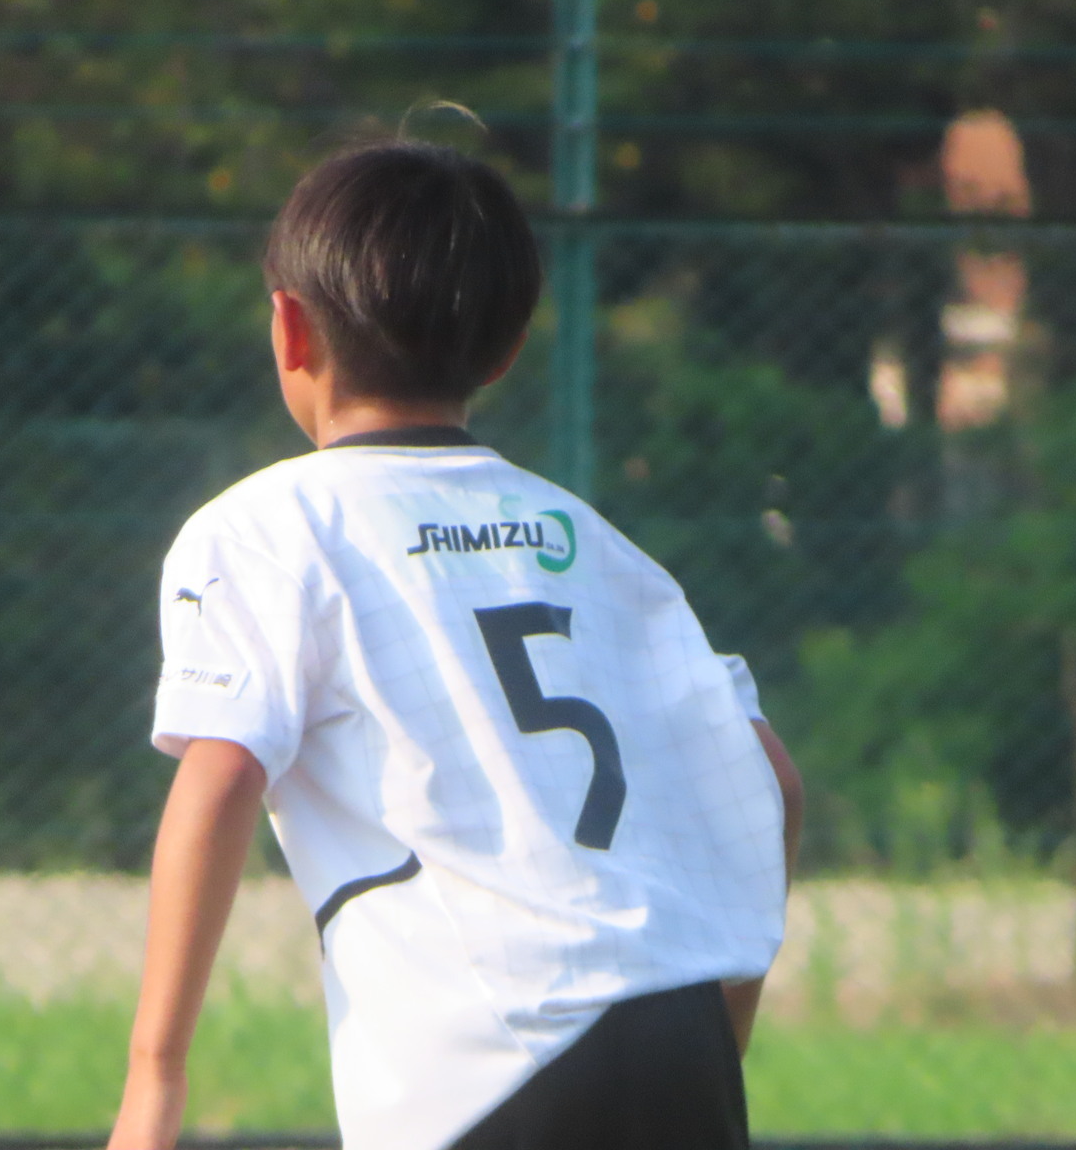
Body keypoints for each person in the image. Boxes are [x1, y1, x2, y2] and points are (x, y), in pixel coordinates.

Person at [107, 140, 802, 1150]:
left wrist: (154, 1080)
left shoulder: (269, 527)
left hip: (490, 1058)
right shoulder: (595, 543)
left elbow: (222, 776)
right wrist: (707, 1040)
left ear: (289, 328)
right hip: (677, 1033)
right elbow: (771, 781)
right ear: (508, 349)